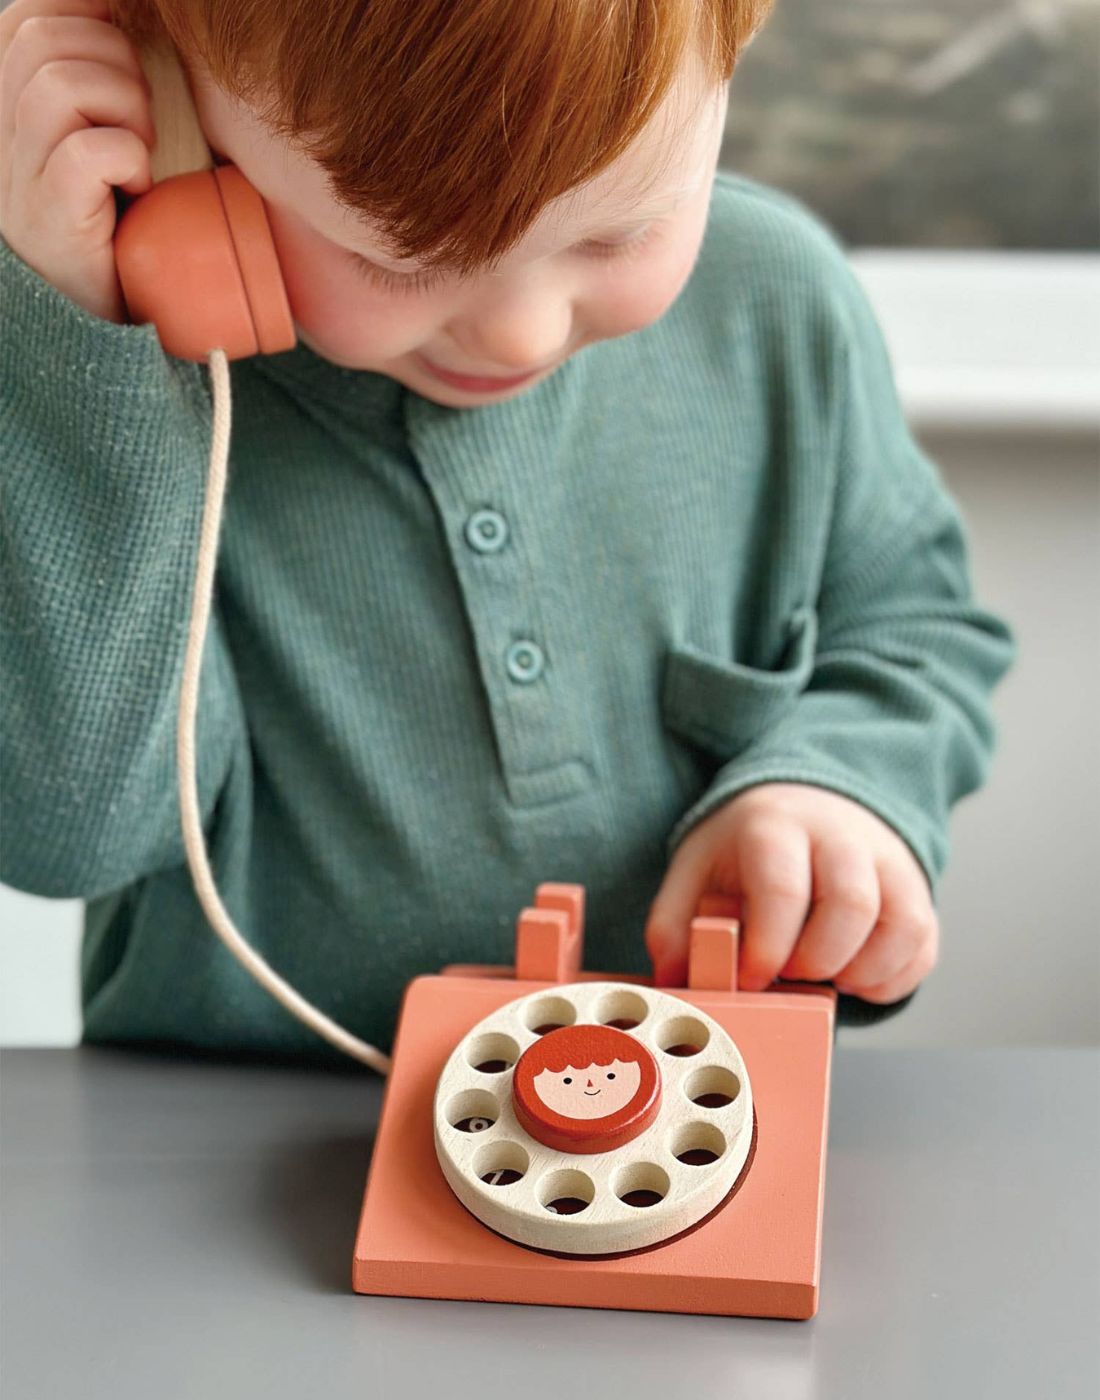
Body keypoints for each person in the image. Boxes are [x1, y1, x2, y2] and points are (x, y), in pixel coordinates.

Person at [0, 0, 1015, 1062]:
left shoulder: (777, 308)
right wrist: (85, 358)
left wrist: (837, 784)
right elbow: (70, 836)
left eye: (618, 232)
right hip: (211, 1127)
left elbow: (913, 628)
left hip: (682, 1130)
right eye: (401, 262)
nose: (518, 333)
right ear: (168, 99)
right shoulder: (121, 394)